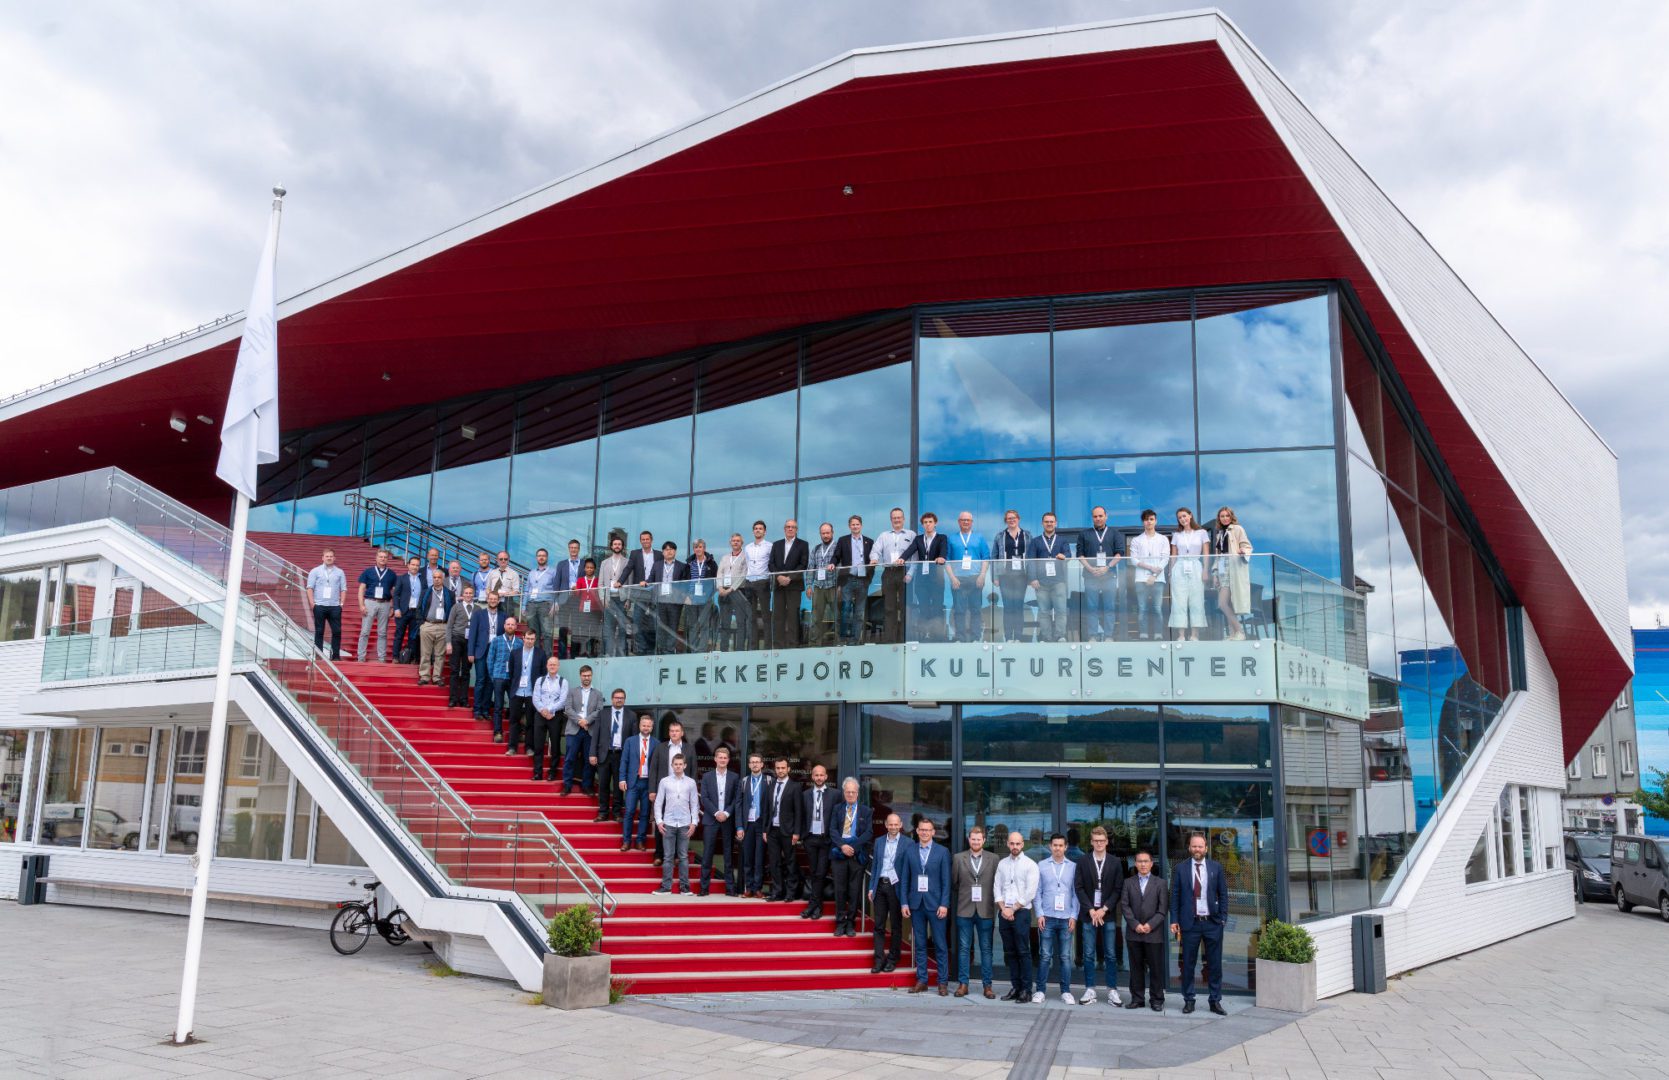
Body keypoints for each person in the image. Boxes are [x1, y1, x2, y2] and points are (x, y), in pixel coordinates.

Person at [1170, 832, 1228, 1015]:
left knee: (1214, 964)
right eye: (1194, 846)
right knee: (1188, 964)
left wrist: (1223, 918)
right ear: (1189, 848)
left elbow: (1224, 894)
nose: (1197, 849)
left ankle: (1215, 1000)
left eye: (1200, 846)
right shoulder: (1180, 868)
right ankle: (1189, 1000)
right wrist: (1174, 920)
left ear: (1206, 849)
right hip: (1190, 924)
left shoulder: (1215, 867)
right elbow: (1175, 896)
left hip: (1212, 922)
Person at [1074, 825, 1125, 1005]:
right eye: (1096, 841)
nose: (1099, 843)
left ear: (1107, 842)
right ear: (1091, 842)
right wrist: (1091, 909)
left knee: (1110, 954)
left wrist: (1104, 909)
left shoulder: (1115, 862)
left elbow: (1118, 889)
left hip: (1107, 914)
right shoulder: (1083, 861)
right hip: (1089, 914)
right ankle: (1090, 989)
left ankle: (1112, 990)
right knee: (1088, 954)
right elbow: (1078, 888)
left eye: (1102, 841)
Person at [903, 817, 951, 995]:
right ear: (917, 831)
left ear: (933, 832)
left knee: (940, 944)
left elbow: (946, 881)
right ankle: (922, 980)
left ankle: (942, 982)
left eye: (928, 830)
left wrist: (944, 904)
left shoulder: (942, 852)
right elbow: (905, 879)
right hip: (916, 904)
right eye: (921, 829)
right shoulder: (910, 851)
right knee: (920, 944)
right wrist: (904, 902)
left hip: (936, 905)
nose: (924, 832)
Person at [952, 825, 999, 999]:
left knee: (986, 949)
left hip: (986, 909)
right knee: (964, 948)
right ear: (968, 839)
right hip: (965, 909)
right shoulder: (958, 858)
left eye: (979, 839)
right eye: (973, 839)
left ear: (984, 840)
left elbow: (997, 884)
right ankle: (963, 984)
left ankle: (988, 986)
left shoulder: (994, 859)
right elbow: (955, 883)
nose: (976, 842)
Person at [1033, 833, 1079, 1004]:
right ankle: (1040, 990)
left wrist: (1074, 916)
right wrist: (1039, 914)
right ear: (1050, 846)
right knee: (1045, 955)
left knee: (1065, 957)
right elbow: (1037, 892)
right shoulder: (1042, 865)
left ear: (1066, 847)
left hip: (1066, 918)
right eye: (1055, 845)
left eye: (1061, 845)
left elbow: (1076, 894)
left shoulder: (1073, 867)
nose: (1058, 848)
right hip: (1047, 917)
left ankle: (1066, 991)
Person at [995, 829, 1039, 1002]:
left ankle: (1026, 990)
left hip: (1020, 913)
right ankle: (1015, 987)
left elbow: (1030, 892)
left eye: (1018, 843)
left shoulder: (1030, 865)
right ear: (1007, 844)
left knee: (1023, 952)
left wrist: (1012, 909)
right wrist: (1003, 908)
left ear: (1023, 844)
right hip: (1004, 913)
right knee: (1010, 952)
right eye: (1012, 843)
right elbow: (996, 888)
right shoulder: (1002, 864)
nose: (1014, 846)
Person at [1121, 849, 1168, 1012]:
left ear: (1151, 863)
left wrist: (1150, 925)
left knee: (1155, 968)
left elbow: (1163, 909)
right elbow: (1125, 906)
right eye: (1139, 861)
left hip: (1153, 932)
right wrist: (1135, 924)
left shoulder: (1160, 883)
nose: (1142, 864)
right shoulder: (1128, 882)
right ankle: (1137, 998)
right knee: (1136, 968)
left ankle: (1156, 999)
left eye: (1145, 861)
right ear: (1135, 863)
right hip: (1134, 933)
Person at [647, 719, 697, 867]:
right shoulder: (660, 747)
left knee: (679, 824)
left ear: (682, 733)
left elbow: (693, 770)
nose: (674, 733)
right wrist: (652, 790)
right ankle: (659, 854)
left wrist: (691, 791)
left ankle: (676, 855)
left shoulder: (689, 749)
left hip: (682, 792)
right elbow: (653, 769)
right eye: (672, 731)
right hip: (664, 790)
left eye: (677, 731)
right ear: (669, 733)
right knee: (661, 823)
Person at [652, 753, 699, 895]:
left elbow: (695, 804)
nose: (678, 767)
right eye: (675, 764)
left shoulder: (691, 782)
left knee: (683, 856)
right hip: (669, 823)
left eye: (680, 764)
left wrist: (694, 822)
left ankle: (685, 887)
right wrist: (659, 821)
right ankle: (666, 887)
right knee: (668, 856)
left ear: (685, 765)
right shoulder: (664, 781)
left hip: (685, 823)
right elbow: (658, 802)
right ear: (672, 766)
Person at [829, 778, 871, 937]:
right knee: (840, 890)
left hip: (856, 855)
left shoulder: (866, 811)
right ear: (844, 793)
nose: (851, 794)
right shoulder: (837, 809)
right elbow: (832, 830)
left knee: (854, 891)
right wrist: (842, 846)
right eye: (848, 792)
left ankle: (851, 923)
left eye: (853, 792)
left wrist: (853, 847)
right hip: (839, 854)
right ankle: (840, 923)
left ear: (858, 793)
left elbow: (868, 832)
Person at [697, 745, 739, 896]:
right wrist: (716, 812)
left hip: (727, 820)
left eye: (725, 758)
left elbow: (736, 798)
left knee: (728, 854)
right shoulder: (707, 777)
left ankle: (730, 888)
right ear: (715, 759)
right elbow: (705, 798)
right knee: (707, 854)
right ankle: (703, 888)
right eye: (720, 757)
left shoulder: (734, 777)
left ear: (728, 760)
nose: (722, 760)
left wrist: (726, 813)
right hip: (711, 819)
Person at [1078, 506, 1124, 642]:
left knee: (1109, 607)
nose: (1098, 519)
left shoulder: (1115, 533)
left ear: (1106, 516)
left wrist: (1108, 567)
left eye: (1100, 516)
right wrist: (1090, 568)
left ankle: (1108, 636)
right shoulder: (1084, 534)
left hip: (1108, 575)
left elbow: (1120, 553)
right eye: (1095, 516)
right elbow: (1080, 554)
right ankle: (1093, 635)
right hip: (1090, 576)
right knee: (1092, 607)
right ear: (1092, 518)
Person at [868, 812, 907, 973]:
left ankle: (892, 958)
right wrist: (871, 887)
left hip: (896, 887)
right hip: (880, 885)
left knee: (896, 926)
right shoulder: (879, 842)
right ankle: (879, 960)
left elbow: (907, 871)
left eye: (895, 824)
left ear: (901, 825)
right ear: (885, 825)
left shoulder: (908, 843)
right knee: (878, 925)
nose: (893, 827)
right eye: (890, 824)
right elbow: (875, 866)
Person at [903, 512, 949, 642]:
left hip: (936, 579)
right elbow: (910, 550)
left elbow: (943, 550)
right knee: (923, 607)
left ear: (935, 523)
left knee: (937, 606)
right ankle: (925, 634)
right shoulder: (918, 539)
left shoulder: (941, 538)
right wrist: (901, 559)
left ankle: (937, 635)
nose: (928, 524)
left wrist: (942, 557)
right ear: (922, 524)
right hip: (922, 580)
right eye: (925, 522)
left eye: (930, 522)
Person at [798, 764, 836, 918]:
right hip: (810, 838)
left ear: (826, 777)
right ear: (812, 777)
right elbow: (800, 816)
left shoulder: (835, 795)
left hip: (826, 840)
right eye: (816, 775)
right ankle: (815, 906)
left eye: (822, 775)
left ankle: (815, 906)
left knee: (821, 872)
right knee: (814, 872)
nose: (819, 778)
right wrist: (802, 836)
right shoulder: (805, 794)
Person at [1210, 506, 1253, 640]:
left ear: (1231, 516)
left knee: (1222, 603)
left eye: (1227, 516)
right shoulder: (1219, 534)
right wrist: (1215, 573)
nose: (1224, 518)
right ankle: (1233, 633)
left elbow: (1247, 546)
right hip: (1223, 568)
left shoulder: (1237, 529)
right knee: (1227, 603)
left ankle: (1240, 631)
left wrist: (1243, 551)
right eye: (1222, 516)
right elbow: (1218, 557)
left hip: (1233, 567)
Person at [467, 591, 509, 730]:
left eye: (495, 599)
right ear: (487, 599)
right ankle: (477, 710)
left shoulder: (503, 615)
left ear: (498, 600)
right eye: (490, 598)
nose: (492, 601)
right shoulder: (479, 614)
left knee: (491, 681)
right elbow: (472, 634)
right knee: (480, 680)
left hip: (496, 651)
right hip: (481, 651)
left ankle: (485, 710)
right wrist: (471, 652)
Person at [873, 507, 915, 644]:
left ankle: (903, 638)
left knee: (905, 607)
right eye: (894, 518)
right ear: (891, 520)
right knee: (889, 607)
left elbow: (915, 557)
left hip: (904, 573)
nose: (897, 520)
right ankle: (890, 639)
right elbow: (875, 550)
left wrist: (910, 573)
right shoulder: (883, 535)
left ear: (903, 519)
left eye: (899, 517)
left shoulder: (911, 535)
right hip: (889, 573)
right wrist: (874, 559)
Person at [946, 511, 989, 643]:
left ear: (972, 522)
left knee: (975, 609)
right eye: (963, 520)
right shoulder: (951, 538)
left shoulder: (979, 538)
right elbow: (947, 559)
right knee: (959, 610)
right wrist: (952, 578)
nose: (965, 522)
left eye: (968, 520)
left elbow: (986, 558)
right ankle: (960, 637)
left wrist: (982, 576)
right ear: (959, 522)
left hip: (975, 578)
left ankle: (976, 638)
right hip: (958, 579)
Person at [1027, 513, 1070, 643]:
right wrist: (1033, 578)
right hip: (1041, 582)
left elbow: (1068, 554)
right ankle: (1046, 637)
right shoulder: (1035, 541)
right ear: (1042, 524)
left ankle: (1060, 636)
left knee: (1061, 610)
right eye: (1046, 522)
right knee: (1044, 612)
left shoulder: (1062, 540)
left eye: (1051, 521)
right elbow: (1031, 561)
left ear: (1056, 523)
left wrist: (1064, 556)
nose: (1049, 524)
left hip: (1059, 581)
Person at [763, 757, 802, 902]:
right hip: (772, 830)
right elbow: (767, 809)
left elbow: (799, 812)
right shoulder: (771, 785)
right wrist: (765, 830)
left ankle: (791, 893)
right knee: (774, 862)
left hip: (789, 831)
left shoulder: (795, 787)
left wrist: (797, 832)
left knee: (791, 862)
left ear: (788, 769)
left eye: (783, 768)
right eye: (778, 768)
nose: (780, 770)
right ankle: (777, 892)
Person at [1127, 509, 1169, 641]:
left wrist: (1154, 575)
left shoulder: (1163, 539)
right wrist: (1150, 567)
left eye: (1151, 519)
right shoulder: (1136, 540)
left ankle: (1158, 634)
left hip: (1158, 579)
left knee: (1157, 608)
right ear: (1143, 522)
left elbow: (1165, 559)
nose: (1149, 522)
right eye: (1146, 519)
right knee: (1142, 608)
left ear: (1155, 521)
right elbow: (1134, 560)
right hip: (1141, 579)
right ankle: (1143, 633)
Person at [504, 628, 546, 757]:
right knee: (514, 720)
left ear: (535, 640)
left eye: (532, 639)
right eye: (528, 638)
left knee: (531, 721)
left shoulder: (541, 654)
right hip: (517, 691)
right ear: (523, 638)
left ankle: (529, 747)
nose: (529, 641)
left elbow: (543, 674)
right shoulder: (515, 653)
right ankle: (512, 747)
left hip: (532, 693)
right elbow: (511, 673)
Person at [617, 714, 657, 851]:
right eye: (643, 725)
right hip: (633, 782)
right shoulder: (630, 741)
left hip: (648, 783)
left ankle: (640, 841)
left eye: (648, 725)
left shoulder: (656, 743)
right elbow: (624, 761)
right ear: (640, 726)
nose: (646, 728)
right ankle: (626, 841)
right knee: (629, 811)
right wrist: (622, 779)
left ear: (652, 727)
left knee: (645, 813)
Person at [991, 510, 1032, 643]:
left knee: (1018, 606)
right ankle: (1008, 636)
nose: (1011, 520)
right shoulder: (1000, 536)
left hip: (1022, 575)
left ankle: (1018, 636)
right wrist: (995, 576)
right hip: (1005, 575)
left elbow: (1032, 556)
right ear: (1006, 520)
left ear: (1018, 519)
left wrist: (1032, 576)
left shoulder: (1027, 535)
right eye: (1009, 518)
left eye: (1013, 518)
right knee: (1008, 606)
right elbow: (994, 557)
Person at [1169, 508, 1209, 641]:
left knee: (1196, 600)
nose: (1183, 519)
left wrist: (1205, 570)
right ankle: (1181, 634)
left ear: (1190, 516)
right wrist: (1171, 572)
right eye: (1180, 517)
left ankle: (1194, 634)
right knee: (1179, 601)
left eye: (1184, 516)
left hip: (1195, 565)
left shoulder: (1202, 532)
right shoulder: (1177, 535)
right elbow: (1173, 555)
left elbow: (1206, 554)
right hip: (1179, 566)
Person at [833, 515, 873, 645]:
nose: (855, 526)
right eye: (853, 524)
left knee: (859, 613)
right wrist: (832, 563)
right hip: (847, 579)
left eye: (857, 524)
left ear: (861, 526)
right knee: (846, 611)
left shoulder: (869, 541)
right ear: (849, 526)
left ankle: (855, 640)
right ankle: (844, 639)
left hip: (862, 580)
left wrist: (868, 579)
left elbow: (872, 561)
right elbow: (836, 556)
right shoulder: (843, 540)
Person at [769, 519, 809, 648]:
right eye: (788, 527)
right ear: (784, 529)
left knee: (793, 617)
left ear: (796, 530)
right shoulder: (776, 544)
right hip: (779, 585)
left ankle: (793, 645)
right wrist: (779, 576)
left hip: (794, 586)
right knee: (778, 617)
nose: (790, 529)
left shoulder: (803, 544)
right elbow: (771, 564)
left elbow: (803, 564)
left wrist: (789, 578)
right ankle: (778, 645)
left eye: (793, 527)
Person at [529, 656, 569, 782]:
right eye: (550, 664)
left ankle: (552, 773)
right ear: (547, 666)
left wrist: (550, 710)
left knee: (555, 745)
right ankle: (537, 773)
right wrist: (543, 711)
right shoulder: (539, 681)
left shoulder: (563, 682)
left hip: (555, 716)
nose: (552, 666)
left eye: (555, 664)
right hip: (540, 715)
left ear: (558, 666)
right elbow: (535, 698)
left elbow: (563, 701)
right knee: (538, 745)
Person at [646, 541, 690, 655]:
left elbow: (685, 585)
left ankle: (669, 651)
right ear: (663, 552)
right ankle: (661, 650)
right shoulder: (657, 565)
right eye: (666, 549)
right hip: (660, 600)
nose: (669, 551)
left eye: (671, 549)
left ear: (675, 551)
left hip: (675, 601)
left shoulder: (682, 566)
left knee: (672, 627)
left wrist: (682, 598)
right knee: (661, 627)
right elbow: (651, 580)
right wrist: (645, 583)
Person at [591, 688, 629, 822]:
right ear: (612, 699)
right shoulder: (603, 714)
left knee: (619, 786)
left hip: (621, 756)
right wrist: (592, 753)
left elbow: (634, 738)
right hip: (604, 754)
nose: (619, 699)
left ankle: (617, 813)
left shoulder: (631, 716)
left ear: (624, 699)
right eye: (617, 697)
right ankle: (603, 812)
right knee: (603, 785)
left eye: (621, 698)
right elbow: (595, 735)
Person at [562, 664, 600, 794]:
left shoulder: (598, 694)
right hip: (574, 729)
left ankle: (587, 786)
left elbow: (599, 710)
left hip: (590, 731)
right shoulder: (572, 691)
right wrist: (579, 721)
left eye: (589, 675)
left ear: (592, 676)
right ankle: (567, 785)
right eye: (584, 675)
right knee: (570, 758)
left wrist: (587, 720)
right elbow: (568, 709)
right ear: (580, 676)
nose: (586, 678)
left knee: (588, 760)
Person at [619, 531, 658, 655]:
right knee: (637, 621)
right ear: (640, 541)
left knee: (653, 622)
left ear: (651, 540)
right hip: (639, 593)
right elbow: (628, 568)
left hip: (654, 593)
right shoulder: (635, 554)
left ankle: (651, 650)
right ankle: (641, 649)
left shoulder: (659, 554)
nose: (645, 541)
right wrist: (620, 581)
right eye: (643, 539)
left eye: (647, 539)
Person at [737, 752, 770, 897]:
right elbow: (738, 805)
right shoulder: (744, 782)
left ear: (762, 764)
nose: (755, 764)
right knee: (748, 857)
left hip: (762, 824)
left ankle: (758, 888)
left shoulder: (769, 781)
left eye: (757, 762)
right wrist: (739, 826)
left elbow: (772, 806)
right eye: (752, 762)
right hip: (748, 824)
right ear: (749, 765)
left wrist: (768, 827)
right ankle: (749, 887)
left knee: (759, 857)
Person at [356, 549, 397, 664]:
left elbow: (394, 592)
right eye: (381, 557)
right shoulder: (368, 572)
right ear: (376, 558)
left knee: (383, 632)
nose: (383, 559)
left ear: (387, 559)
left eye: (385, 557)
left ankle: (381, 658)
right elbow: (361, 589)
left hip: (385, 603)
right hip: (370, 602)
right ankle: (361, 657)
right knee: (365, 631)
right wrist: (361, 605)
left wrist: (393, 607)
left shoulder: (392, 574)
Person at [306, 548, 346, 660]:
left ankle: (335, 655)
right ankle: (319, 655)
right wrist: (312, 603)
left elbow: (343, 589)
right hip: (319, 605)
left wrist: (341, 604)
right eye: (327, 556)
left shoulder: (340, 572)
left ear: (334, 558)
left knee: (337, 631)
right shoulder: (315, 571)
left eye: (331, 556)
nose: (329, 558)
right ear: (322, 558)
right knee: (319, 631)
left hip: (334, 606)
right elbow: (309, 588)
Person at [416, 570, 454, 686]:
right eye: (434, 577)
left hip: (443, 625)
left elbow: (452, 612)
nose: (436, 579)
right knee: (425, 653)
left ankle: (437, 677)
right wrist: (421, 624)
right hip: (428, 625)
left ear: (443, 579)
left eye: (439, 577)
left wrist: (448, 626)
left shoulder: (449, 593)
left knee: (440, 654)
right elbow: (418, 608)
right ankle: (424, 676)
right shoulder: (425, 592)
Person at [715, 533, 751, 652]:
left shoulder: (746, 557)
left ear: (742, 543)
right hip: (723, 591)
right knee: (725, 622)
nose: (735, 542)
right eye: (733, 541)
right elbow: (719, 573)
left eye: (738, 541)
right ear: (730, 543)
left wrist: (731, 589)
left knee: (741, 622)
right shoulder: (725, 557)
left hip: (738, 591)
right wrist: (720, 588)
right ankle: (724, 650)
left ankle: (740, 650)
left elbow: (744, 575)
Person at [807, 523, 841, 646]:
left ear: (832, 533)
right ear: (820, 534)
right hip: (818, 586)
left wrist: (840, 585)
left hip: (833, 586)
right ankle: (815, 643)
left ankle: (838, 643)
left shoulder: (838, 547)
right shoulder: (816, 549)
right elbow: (811, 567)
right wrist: (809, 585)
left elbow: (842, 567)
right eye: (823, 533)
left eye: (828, 533)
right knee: (816, 617)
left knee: (837, 616)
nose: (825, 535)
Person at [443, 584, 476, 709]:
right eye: (466, 593)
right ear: (463, 595)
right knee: (455, 670)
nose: (468, 595)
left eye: (470, 593)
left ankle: (464, 699)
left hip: (470, 642)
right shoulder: (456, 607)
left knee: (466, 672)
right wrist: (448, 642)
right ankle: (453, 699)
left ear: (473, 595)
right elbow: (449, 626)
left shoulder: (477, 609)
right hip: (457, 640)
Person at [742, 521, 772, 651]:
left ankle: (767, 647)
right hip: (749, 582)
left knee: (766, 616)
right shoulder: (747, 547)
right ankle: (753, 647)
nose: (758, 530)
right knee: (751, 617)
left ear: (765, 531)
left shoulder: (770, 546)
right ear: (753, 531)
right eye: (756, 528)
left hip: (763, 581)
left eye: (760, 529)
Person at [685, 539, 718, 653]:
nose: (698, 549)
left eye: (700, 547)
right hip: (692, 598)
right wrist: (686, 596)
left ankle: (702, 650)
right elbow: (685, 581)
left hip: (705, 598)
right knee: (693, 625)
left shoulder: (711, 563)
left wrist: (710, 595)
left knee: (704, 624)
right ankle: (693, 649)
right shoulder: (689, 564)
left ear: (704, 548)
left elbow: (715, 581)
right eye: (696, 547)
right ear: (694, 549)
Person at [599, 535, 630, 656]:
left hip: (622, 599)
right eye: (615, 544)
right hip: (609, 599)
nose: (617, 546)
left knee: (622, 628)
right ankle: (609, 653)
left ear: (622, 547)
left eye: (619, 544)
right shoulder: (604, 563)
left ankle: (621, 654)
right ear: (611, 546)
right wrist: (602, 598)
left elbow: (630, 583)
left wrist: (629, 599)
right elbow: (600, 583)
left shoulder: (627, 562)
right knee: (609, 628)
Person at [552, 539, 586, 648]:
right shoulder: (561, 564)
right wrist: (555, 601)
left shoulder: (584, 564)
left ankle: (574, 655)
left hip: (578, 599)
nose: (573, 550)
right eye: (571, 547)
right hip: (563, 599)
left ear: (579, 549)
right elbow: (557, 583)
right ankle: (562, 657)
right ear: (569, 549)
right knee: (563, 628)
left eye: (575, 548)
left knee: (577, 627)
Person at [524, 547, 558, 654]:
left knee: (547, 634)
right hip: (531, 605)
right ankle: (536, 659)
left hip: (546, 605)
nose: (541, 557)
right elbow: (527, 590)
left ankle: (548, 661)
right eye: (539, 556)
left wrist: (556, 603)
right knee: (534, 635)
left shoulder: (553, 572)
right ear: (536, 558)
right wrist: (523, 605)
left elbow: (557, 589)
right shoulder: (531, 573)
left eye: (543, 556)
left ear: (547, 557)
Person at [391, 555, 425, 663]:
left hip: (417, 612)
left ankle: (411, 658)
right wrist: (396, 608)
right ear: (408, 565)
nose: (415, 567)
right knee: (399, 635)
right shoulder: (401, 578)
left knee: (413, 637)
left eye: (417, 565)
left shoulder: (423, 580)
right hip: (403, 611)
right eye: (413, 564)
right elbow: (396, 595)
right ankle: (395, 657)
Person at [569, 559, 603, 656]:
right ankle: (583, 652)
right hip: (583, 610)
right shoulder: (580, 580)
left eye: (591, 567)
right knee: (584, 632)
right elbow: (577, 594)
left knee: (593, 632)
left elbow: (600, 594)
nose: (589, 569)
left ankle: (592, 652)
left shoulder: (598, 580)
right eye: (587, 567)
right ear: (584, 568)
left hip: (596, 610)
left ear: (594, 569)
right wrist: (574, 590)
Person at [488, 550, 522, 620]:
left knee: (506, 621)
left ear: (508, 560)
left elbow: (516, 591)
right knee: (492, 620)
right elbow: (487, 588)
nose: (503, 561)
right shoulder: (492, 573)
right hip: (494, 601)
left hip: (507, 602)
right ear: (497, 560)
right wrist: (491, 596)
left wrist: (505, 594)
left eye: (505, 559)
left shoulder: (514, 574)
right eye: (501, 559)